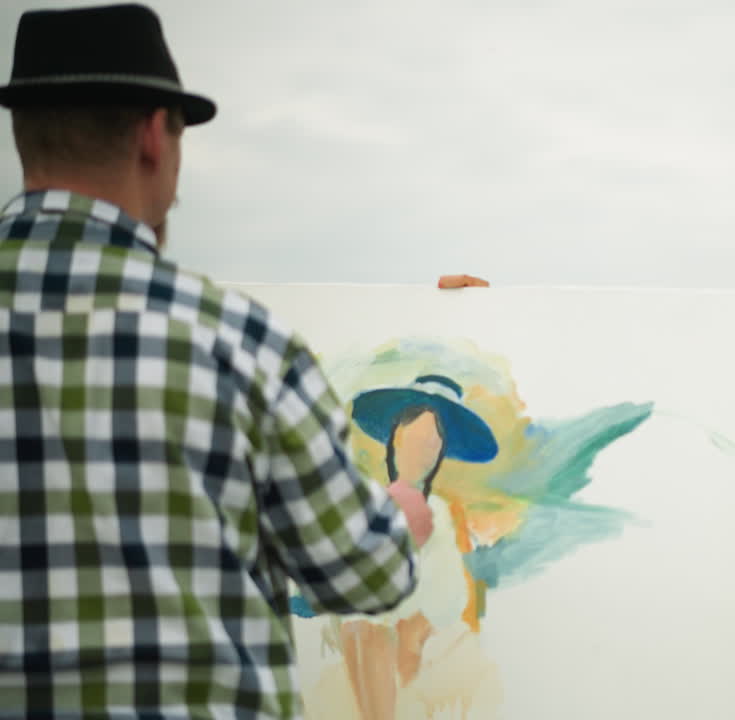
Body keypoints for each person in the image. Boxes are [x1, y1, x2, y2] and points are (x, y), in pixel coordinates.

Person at [0, 4, 459, 717]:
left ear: (22, 132)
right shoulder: (239, 344)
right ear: (156, 135)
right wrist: (402, 509)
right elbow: (363, 573)